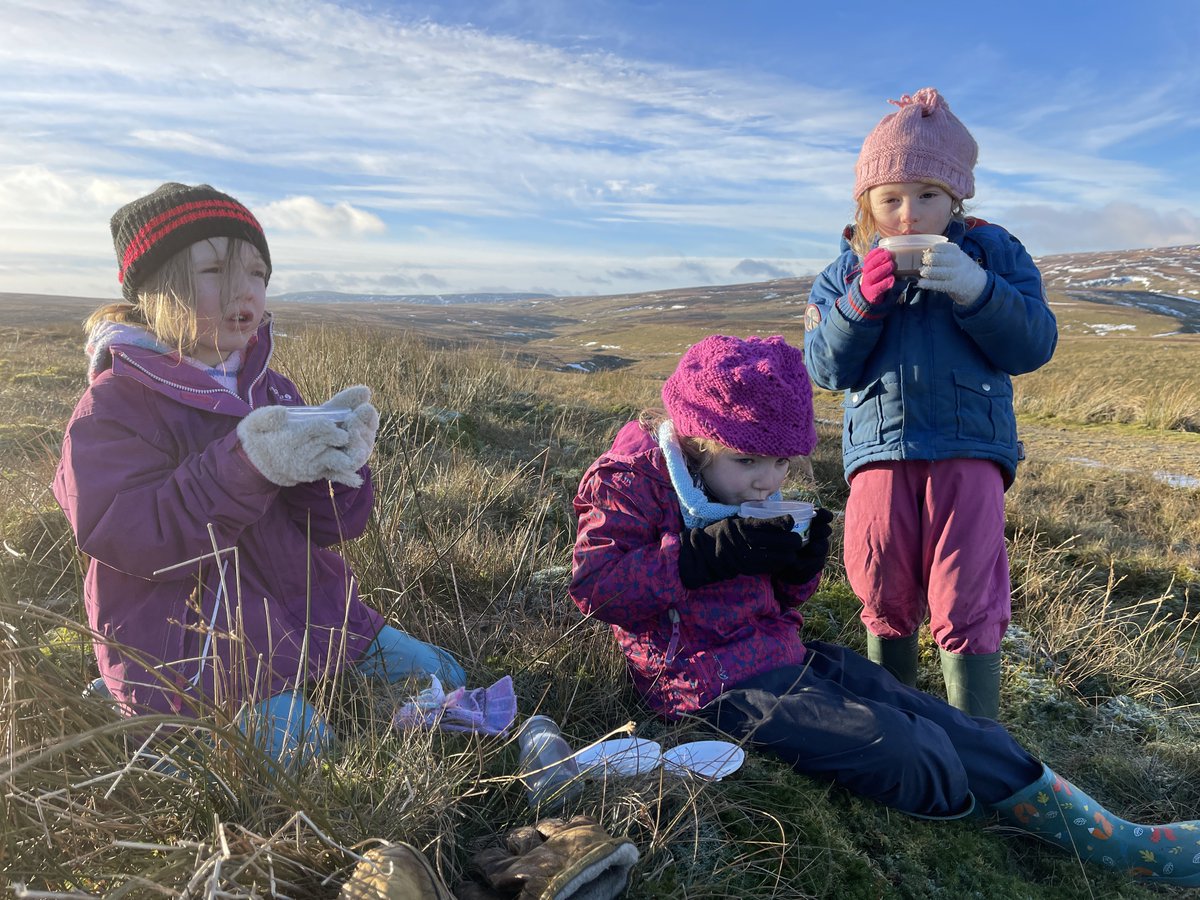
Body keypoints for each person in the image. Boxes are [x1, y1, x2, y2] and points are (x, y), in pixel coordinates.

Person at [569, 334, 1200, 887]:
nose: (768, 482)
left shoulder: (750, 488)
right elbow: (597, 587)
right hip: (703, 683)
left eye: (783, 462)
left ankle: (1118, 842)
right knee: (913, 751)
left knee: (968, 732)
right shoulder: (628, 480)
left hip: (788, 657)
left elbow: (782, 603)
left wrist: (797, 568)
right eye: (748, 462)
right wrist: (696, 560)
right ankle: (990, 820)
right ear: (696, 441)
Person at [54, 182, 465, 766]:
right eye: (216, 269)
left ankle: (322, 689)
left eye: (258, 273)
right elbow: (132, 536)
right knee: (306, 754)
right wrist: (247, 465)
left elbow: (332, 529)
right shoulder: (113, 403)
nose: (245, 289)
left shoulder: (269, 386)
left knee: (446, 678)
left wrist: (341, 466)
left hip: (309, 611)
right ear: (157, 286)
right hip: (191, 645)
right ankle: (143, 716)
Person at [803, 88, 1058, 718]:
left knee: (966, 589)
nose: (909, 215)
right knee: (883, 583)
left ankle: (977, 737)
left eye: (928, 197)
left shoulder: (995, 254)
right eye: (891, 199)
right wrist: (860, 303)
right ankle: (896, 721)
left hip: (971, 448)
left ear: (957, 198)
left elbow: (1033, 344)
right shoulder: (843, 272)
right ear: (867, 202)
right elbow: (824, 367)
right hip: (878, 454)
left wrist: (978, 291)